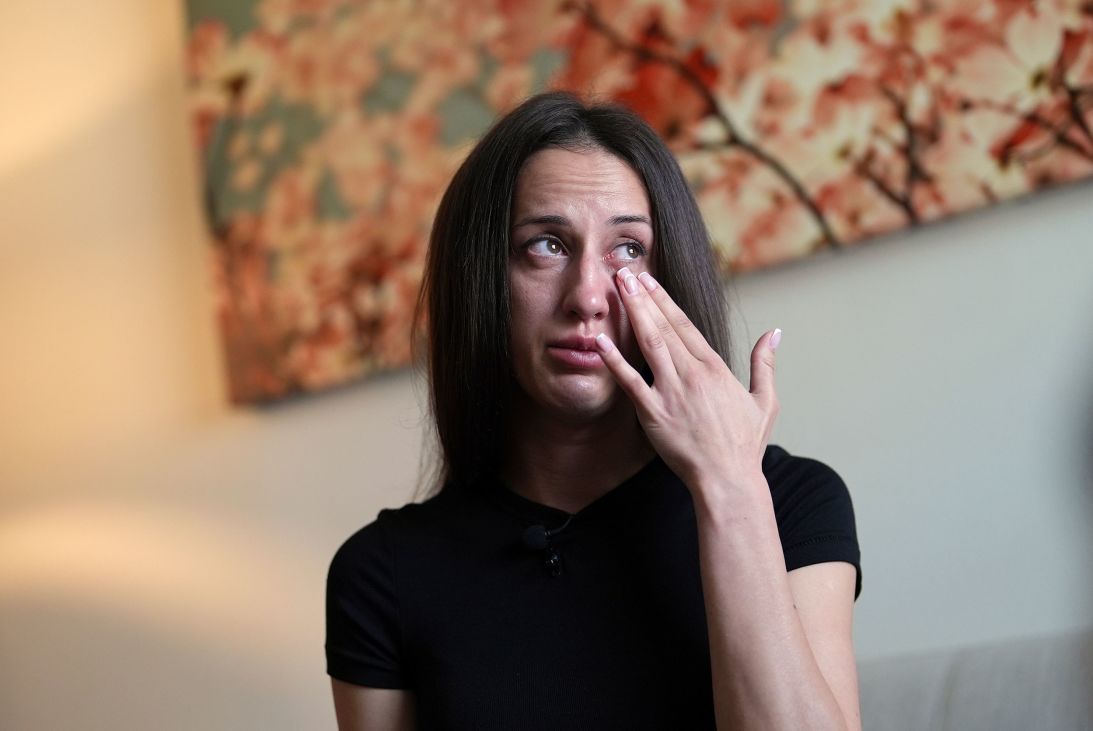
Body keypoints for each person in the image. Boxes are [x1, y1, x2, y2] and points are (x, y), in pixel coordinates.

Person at [326, 91, 862, 730]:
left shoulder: (793, 502)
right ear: (480, 278)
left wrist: (730, 483)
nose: (587, 296)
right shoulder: (382, 572)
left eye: (628, 249)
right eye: (545, 245)